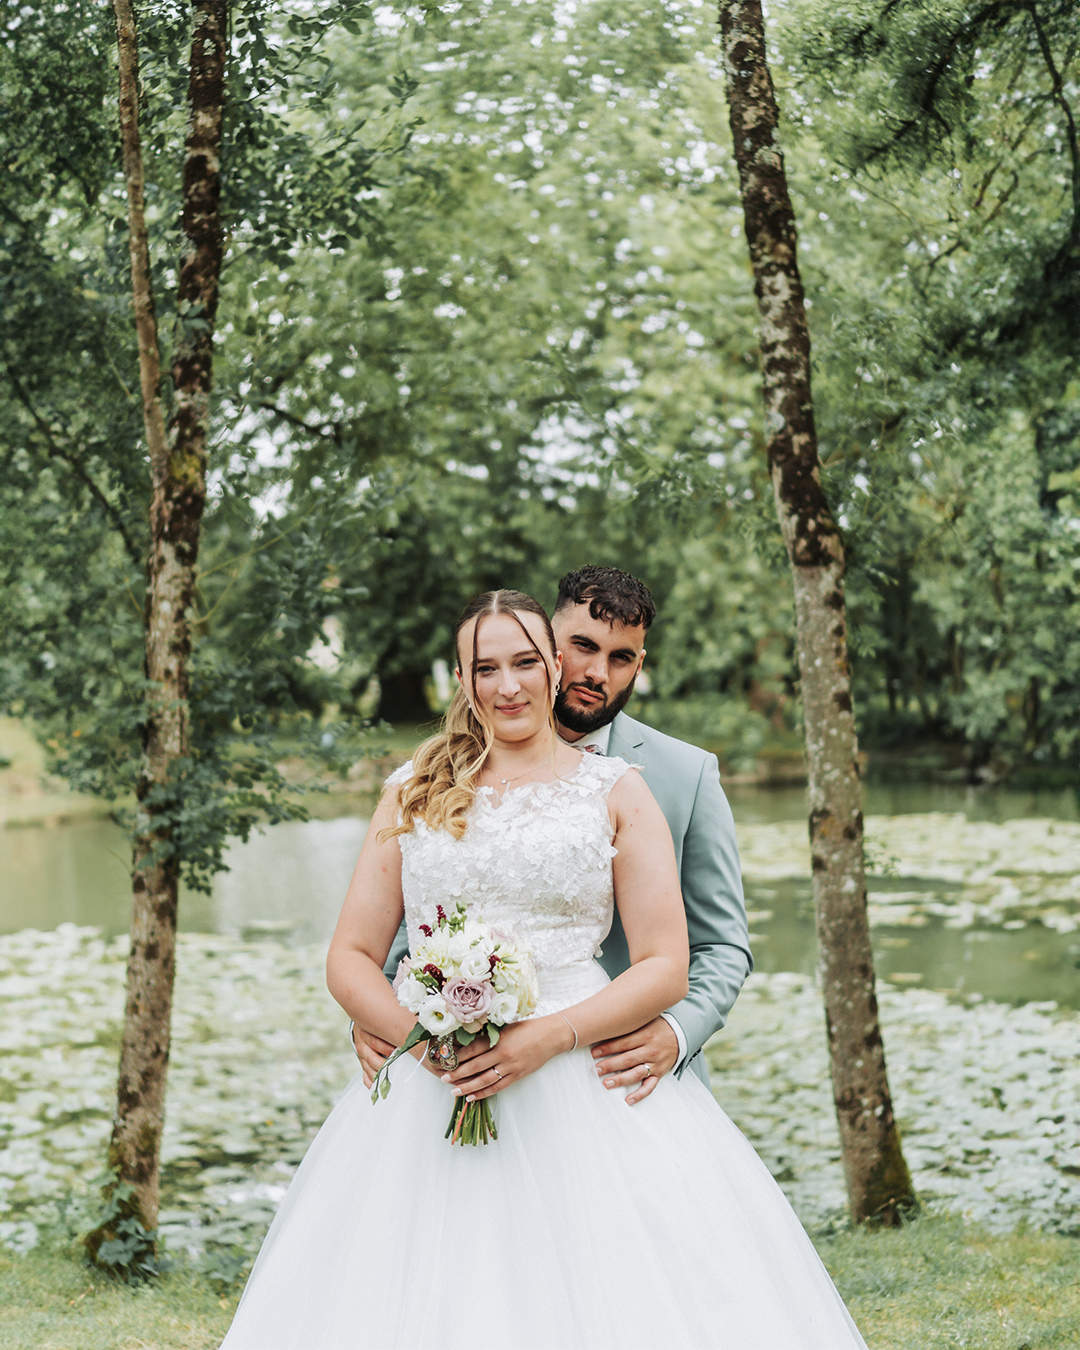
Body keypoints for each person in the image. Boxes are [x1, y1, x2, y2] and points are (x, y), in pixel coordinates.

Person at [221, 589, 866, 1349]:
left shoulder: (620, 791)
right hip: (432, 1084)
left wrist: (550, 1038)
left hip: (582, 1073)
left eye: (525, 662)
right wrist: (415, 1037)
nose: (507, 684)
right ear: (461, 681)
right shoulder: (412, 790)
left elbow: (668, 963)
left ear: (552, 667)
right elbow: (352, 956)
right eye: (484, 668)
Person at [355, 565, 751, 1103]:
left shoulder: (682, 776)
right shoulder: (429, 783)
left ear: (639, 664)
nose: (597, 673)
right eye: (583, 647)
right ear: (552, 648)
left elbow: (721, 944)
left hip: (616, 1074)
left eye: (621, 658)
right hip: (445, 1068)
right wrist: (387, 1018)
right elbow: (407, 928)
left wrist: (677, 1033)